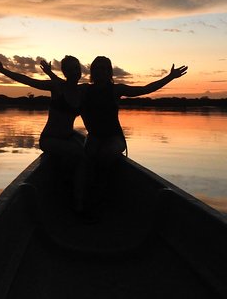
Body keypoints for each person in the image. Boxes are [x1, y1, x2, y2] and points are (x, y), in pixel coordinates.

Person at [77, 56, 187, 214]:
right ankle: (86, 200)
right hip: (94, 137)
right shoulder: (84, 89)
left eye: (104, 68)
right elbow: (64, 87)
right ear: (92, 71)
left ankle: (101, 199)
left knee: (105, 155)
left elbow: (145, 89)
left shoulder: (116, 89)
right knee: (87, 158)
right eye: (97, 68)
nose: (100, 71)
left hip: (114, 138)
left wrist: (170, 77)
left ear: (109, 72)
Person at [0, 56, 85, 162]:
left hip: (69, 136)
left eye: (77, 68)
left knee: (88, 144)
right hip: (50, 139)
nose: (75, 72)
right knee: (80, 152)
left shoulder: (81, 90)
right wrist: (3, 70)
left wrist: (49, 72)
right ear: (64, 72)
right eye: (70, 69)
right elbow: (28, 81)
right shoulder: (57, 86)